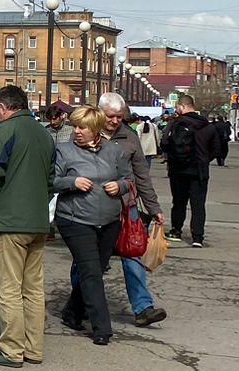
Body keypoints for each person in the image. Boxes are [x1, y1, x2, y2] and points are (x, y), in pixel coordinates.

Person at [0, 85, 56, 369]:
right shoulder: (43, 133)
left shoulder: (6, 131)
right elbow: (50, 179)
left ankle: (11, 350)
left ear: (3, 108)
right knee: (33, 288)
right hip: (37, 219)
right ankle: (34, 348)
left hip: (10, 220)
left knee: (8, 287)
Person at [75, 95, 166, 327]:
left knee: (132, 253)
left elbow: (141, 176)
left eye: (119, 116)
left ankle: (143, 307)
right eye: (110, 116)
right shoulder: (82, 133)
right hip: (90, 206)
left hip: (125, 206)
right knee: (86, 259)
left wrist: (154, 208)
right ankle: (80, 304)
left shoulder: (129, 137)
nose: (115, 121)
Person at [53, 105, 134, 346]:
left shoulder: (113, 151)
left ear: (96, 129)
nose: (76, 131)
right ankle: (102, 327)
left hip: (109, 220)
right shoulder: (63, 151)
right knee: (90, 270)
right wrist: (72, 181)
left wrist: (119, 187)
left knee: (96, 269)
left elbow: (127, 178)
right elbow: (51, 180)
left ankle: (72, 312)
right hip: (75, 219)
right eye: (74, 126)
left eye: (82, 127)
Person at [163, 93, 223, 247]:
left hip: (178, 170)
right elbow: (217, 149)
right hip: (200, 171)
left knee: (178, 202)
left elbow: (164, 143)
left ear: (182, 107)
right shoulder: (208, 126)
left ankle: (176, 230)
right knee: (198, 205)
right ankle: (197, 237)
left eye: (177, 107)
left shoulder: (176, 123)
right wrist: (204, 159)